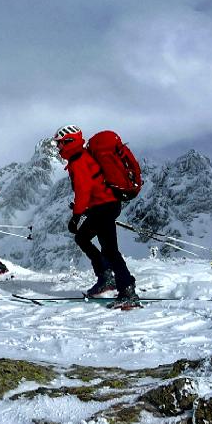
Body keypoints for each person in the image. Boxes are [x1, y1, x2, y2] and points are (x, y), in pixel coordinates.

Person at [53, 124, 139, 309]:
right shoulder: (80, 158)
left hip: (104, 207)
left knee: (110, 250)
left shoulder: (79, 161)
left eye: (60, 144)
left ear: (69, 142)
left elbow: (84, 191)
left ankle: (127, 290)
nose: (58, 148)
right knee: (82, 238)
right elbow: (91, 189)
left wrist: (76, 217)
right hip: (101, 206)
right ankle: (106, 278)